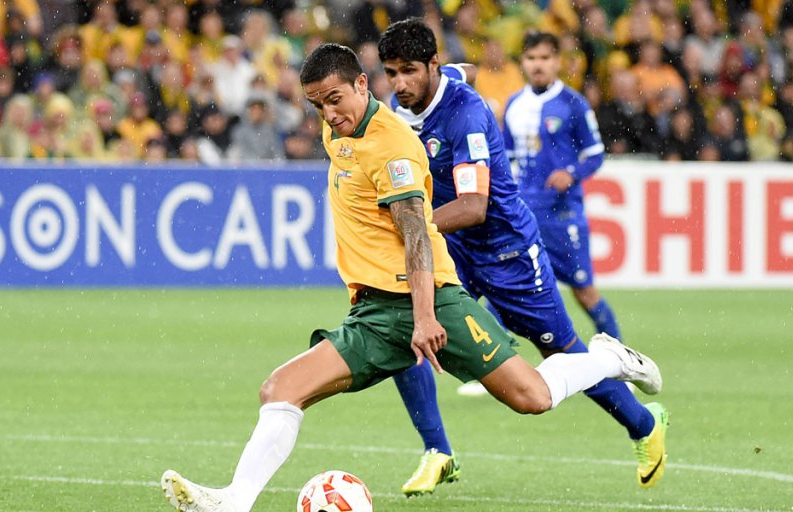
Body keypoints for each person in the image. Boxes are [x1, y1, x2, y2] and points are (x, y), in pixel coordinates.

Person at [160, 43, 663, 512]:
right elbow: (445, 79)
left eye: (335, 99)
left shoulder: (393, 149)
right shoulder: (339, 127)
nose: (329, 114)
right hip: (374, 314)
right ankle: (233, 501)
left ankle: (607, 357)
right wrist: (458, 73)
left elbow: (418, 236)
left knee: (531, 397)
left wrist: (425, 317)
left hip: (432, 301)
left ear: (362, 85)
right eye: (317, 105)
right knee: (280, 389)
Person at [379, 19, 669, 494]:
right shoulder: (411, 98)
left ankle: (642, 422)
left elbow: (473, 207)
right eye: (391, 72)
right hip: (452, 250)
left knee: (561, 352)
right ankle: (438, 450)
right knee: (411, 330)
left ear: (430, 65)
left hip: (507, 249)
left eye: (409, 71)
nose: (400, 84)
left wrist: (410, 221)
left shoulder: (467, 116)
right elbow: (459, 70)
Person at [504, 31, 626, 344]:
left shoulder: (573, 103)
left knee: (584, 292)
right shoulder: (514, 105)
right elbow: (505, 157)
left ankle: (621, 360)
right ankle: (491, 368)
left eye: (544, 58)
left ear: (557, 61)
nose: (538, 65)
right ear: (523, 63)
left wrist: (570, 173)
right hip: (523, 215)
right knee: (501, 289)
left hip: (562, 215)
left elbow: (595, 154)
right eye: (531, 59)